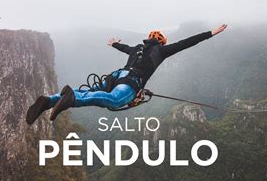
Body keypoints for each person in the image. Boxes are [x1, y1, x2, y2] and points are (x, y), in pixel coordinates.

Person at [26, 24, 227, 124]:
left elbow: (123, 48)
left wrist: (114, 43)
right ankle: (72, 99)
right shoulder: (162, 50)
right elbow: (187, 42)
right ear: (161, 42)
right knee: (113, 101)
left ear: (148, 39)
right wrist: (211, 33)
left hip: (115, 76)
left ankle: (49, 100)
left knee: (94, 93)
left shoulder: (136, 48)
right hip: (130, 81)